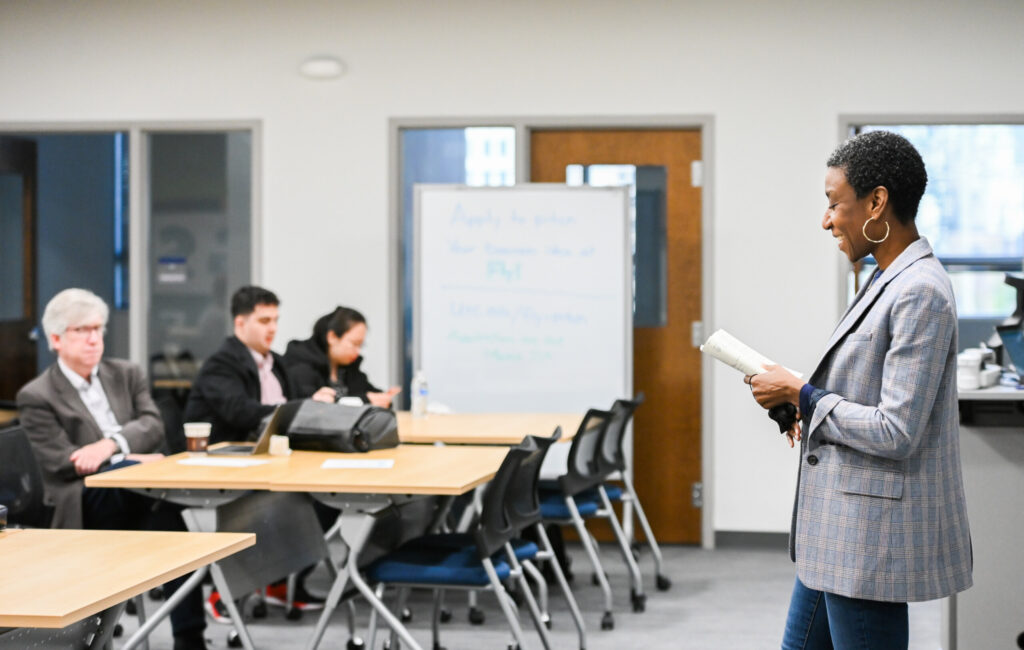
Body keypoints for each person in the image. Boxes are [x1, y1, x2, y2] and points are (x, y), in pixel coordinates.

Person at [746, 131, 972, 649]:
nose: (826, 221)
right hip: (836, 531)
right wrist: (798, 400)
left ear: (876, 202)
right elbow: (861, 392)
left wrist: (804, 395)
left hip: (868, 540)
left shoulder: (920, 291)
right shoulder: (884, 278)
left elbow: (896, 430)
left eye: (834, 204)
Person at [17, 288, 207, 650]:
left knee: (169, 519)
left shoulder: (125, 373)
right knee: (164, 503)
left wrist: (111, 445)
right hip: (83, 497)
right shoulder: (37, 395)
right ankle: (188, 635)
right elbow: (65, 461)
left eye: (98, 329)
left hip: (132, 491)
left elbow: (153, 424)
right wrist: (131, 460)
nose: (94, 339)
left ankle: (189, 636)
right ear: (56, 339)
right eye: (81, 330)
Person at [184, 285, 332, 619]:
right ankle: (226, 591)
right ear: (240, 323)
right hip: (224, 467)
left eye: (275, 320)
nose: (272, 328)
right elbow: (242, 412)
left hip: (270, 463)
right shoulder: (221, 364)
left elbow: (287, 412)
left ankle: (280, 580)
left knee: (328, 498)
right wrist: (302, 406)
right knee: (279, 503)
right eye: (264, 320)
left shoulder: (276, 363)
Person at [283, 306, 400, 407]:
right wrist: (365, 400)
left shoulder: (348, 368)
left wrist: (384, 397)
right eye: (354, 344)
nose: (357, 351)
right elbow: (311, 406)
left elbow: (368, 392)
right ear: (332, 337)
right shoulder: (301, 367)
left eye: (361, 345)